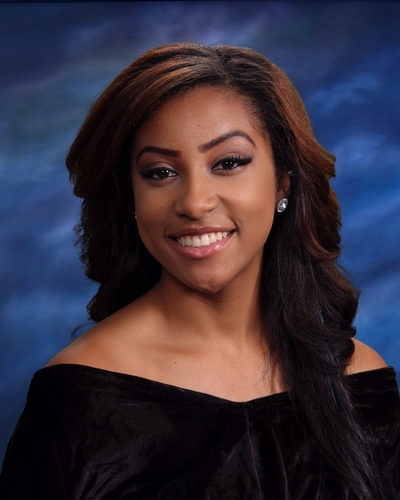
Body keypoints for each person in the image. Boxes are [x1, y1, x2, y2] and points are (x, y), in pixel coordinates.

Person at [0, 42, 399, 500]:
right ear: (130, 195)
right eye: (160, 172)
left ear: (283, 183)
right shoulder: (77, 400)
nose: (194, 202)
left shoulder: (358, 379)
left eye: (228, 163)